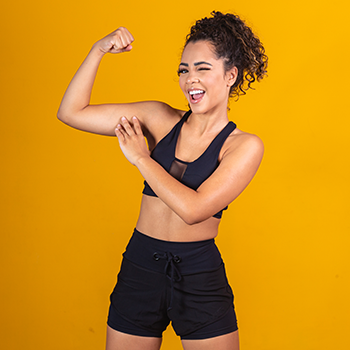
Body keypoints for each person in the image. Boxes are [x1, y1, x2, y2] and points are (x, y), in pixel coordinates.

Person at [57, 11, 267, 350]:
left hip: (199, 274)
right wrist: (97, 51)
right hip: (140, 265)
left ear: (230, 75)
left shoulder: (243, 146)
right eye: (184, 70)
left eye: (202, 68)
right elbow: (71, 112)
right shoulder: (159, 118)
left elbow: (194, 209)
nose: (190, 80)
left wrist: (141, 157)